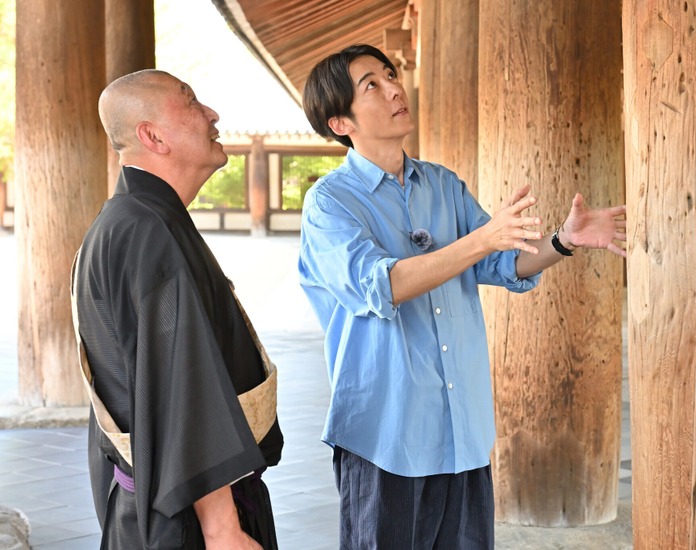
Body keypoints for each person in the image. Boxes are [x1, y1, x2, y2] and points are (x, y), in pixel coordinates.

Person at [298, 44, 627, 549]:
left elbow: (502, 260)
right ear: (341, 122)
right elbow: (383, 285)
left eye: (390, 74)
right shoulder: (329, 204)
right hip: (386, 433)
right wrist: (480, 240)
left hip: (461, 431)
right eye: (371, 85)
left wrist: (563, 240)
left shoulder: (443, 185)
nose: (392, 88)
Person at [72, 69, 283, 549]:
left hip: (169, 502)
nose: (212, 114)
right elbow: (181, 383)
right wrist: (223, 528)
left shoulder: (138, 219)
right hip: (191, 519)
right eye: (191, 103)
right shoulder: (144, 229)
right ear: (153, 136)